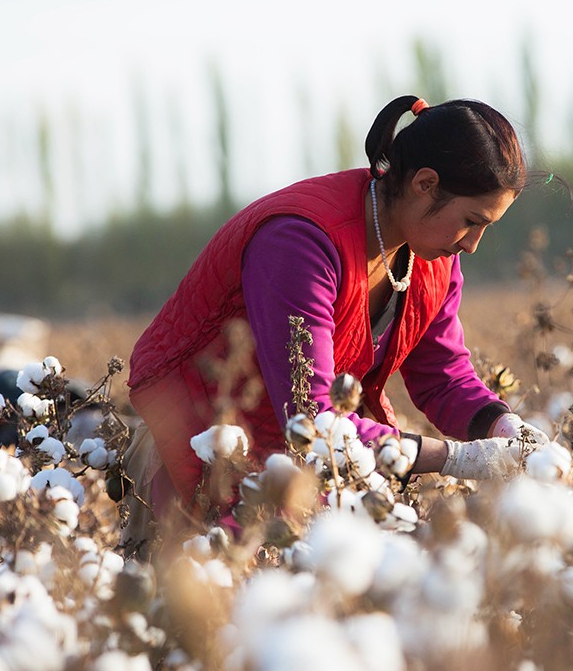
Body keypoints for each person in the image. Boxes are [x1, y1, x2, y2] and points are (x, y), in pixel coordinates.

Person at [126, 95, 547, 516]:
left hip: (299, 473)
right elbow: (311, 421)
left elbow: (443, 377)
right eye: (472, 221)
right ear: (425, 184)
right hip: (197, 458)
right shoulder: (299, 242)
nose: (472, 245)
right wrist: (455, 459)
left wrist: (503, 426)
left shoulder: (433, 257)